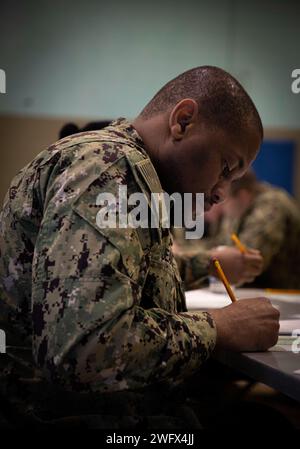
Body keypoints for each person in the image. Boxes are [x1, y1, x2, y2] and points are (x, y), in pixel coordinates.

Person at [0, 66, 279, 428]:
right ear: (183, 121)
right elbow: (86, 349)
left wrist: (206, 266)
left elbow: (125, 276)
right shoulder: (108, 170)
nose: (221, 192)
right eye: (225, 167)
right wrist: (218, 327)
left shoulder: (133, 174)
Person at [214, 170, 300, 288]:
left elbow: (247, 262)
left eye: (222, 201)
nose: (219, 208)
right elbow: (220, 244)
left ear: (242, 196)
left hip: (287, 294)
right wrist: (186, 251)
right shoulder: (239, 207)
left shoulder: (272, 206)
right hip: (260, 290)